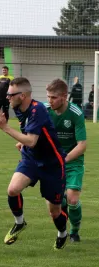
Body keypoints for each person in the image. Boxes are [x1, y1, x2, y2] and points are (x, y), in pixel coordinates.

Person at [0, 77, 68, 250]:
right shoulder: (19, 108)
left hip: (52, 165)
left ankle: (63, 233)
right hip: (31, 158)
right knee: (12, 189)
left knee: (54, 211)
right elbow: (30, 137)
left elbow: (32, 141)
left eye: (11, 94)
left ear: (23, 95)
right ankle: (20, 223)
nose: (8, 97)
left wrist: (6, 128)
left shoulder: (37, 109)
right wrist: (22, 141)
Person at [45, 79, 87, 242]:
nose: (50, 100)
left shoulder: (76, 113)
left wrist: (64, 159)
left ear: (64, 96)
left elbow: (82, 145)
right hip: (52, 163)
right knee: (56, 203)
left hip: (73, 161)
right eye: (48, 97)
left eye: (54, 97)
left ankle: (74, 231)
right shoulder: (45, 110)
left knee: (72, 199)